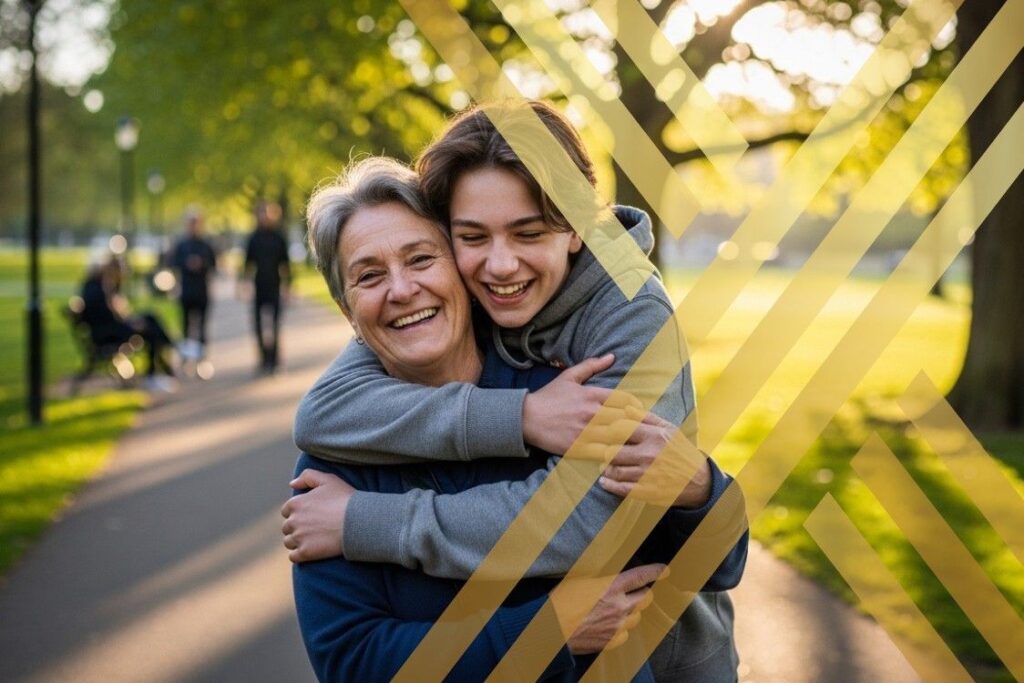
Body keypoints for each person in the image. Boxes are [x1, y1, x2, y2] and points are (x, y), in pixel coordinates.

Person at [289, 101, 748, 681]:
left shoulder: (596, 354)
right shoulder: (354, 434)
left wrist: (364, 521)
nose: (500, 266)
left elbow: (614, 524)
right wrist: (521, 416)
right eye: (473, 236)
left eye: (528, 232)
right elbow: (318, 416)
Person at [79, 256, 177, 391]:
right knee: (151, 331)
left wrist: (129, 320)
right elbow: (109, 317)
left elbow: (114, 312)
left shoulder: (97, 286)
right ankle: (157, 368)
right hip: (108, 334)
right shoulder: (96, 290)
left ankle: (166, 355)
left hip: (112, 328)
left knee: (150, 317)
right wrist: (131, 324)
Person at [243, 201, 290, 373]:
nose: (264, 217)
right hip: (259, 286)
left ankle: (275, 360)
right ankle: (263, 359)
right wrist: (245, 284)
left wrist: (288, 287)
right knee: (258, 325)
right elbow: (247, 263)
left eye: (267, 213)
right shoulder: (253, 238)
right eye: (261, 213)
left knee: (276, 325)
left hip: (275, 286)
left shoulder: (278, 237)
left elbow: (286, 264)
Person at [171, 208, 217, 360]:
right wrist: (187, 264)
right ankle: (186, 357)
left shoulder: (206, 245)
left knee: (202, 327)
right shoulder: (182, 245)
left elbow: (213, 265)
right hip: (186, 291)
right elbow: (174, 263)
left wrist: (201, 264)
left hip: (202, 291)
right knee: (186, 327)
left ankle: (201, 357)